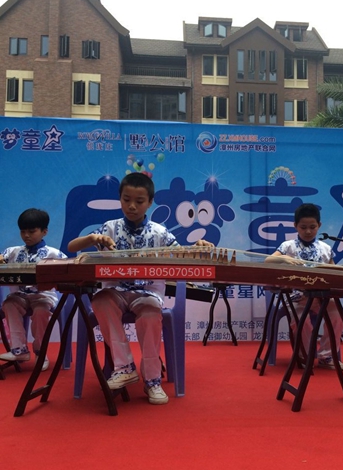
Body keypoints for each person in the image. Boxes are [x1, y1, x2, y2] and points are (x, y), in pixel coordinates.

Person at [68, 172, 212, 405]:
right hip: (115, 292)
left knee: (150, 315)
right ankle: (125, 366)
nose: (132, 206)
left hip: (148, 293)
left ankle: (152, 380)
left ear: (150, 202)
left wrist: (198, 247)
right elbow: (72, 247)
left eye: (139, 201)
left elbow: (182, 253)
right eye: (126, 200)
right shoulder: (109, 228)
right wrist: (93, 238)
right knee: (101, 301)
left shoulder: (160, 232)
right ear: (120, 199)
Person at [266, 202, 343, 370]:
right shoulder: (287, 246)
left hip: (321, 296)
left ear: (319, 225)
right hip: (296, 297)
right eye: (303, 227)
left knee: (337, 315)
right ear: (295, 226)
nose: (308, 231)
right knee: (301, 320)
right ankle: (304, 355)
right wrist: (283, 258)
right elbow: (268, 261)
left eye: (312, 227)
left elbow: (334, 272)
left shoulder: (325, 248)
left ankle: (326, 356)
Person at [0, 208, 67, 371]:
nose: (26, 236)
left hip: (43, 296)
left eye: (31, 231)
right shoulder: (12, 251)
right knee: (9, 304)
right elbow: (1, 258)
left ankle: (41, 353)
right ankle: (19, 349)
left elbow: (67, 271)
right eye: (23, 231)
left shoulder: (54, 254)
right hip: (20, 296)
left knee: (41, 312)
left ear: (44, 231)